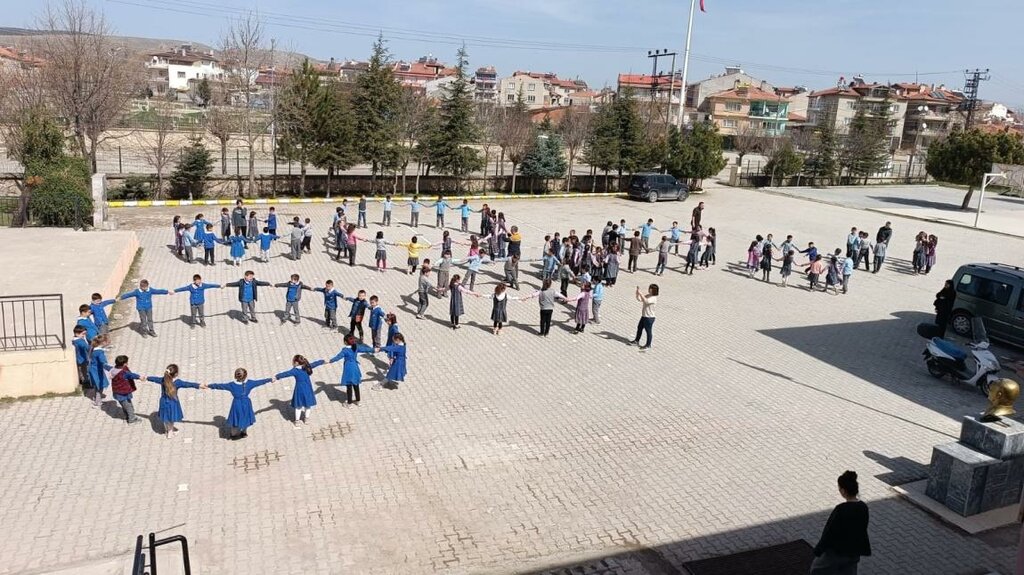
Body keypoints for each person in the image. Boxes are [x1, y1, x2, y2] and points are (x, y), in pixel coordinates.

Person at [810, 471, 870, 574]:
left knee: (816, 569)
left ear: (843, 491)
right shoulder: (863, 507)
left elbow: (829, 532)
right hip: (854, 551)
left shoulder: (841, 509)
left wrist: (819, 550)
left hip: (838, 552)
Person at [203, 368, 274, 439]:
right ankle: (244, 433)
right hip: (246, 404)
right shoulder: (249, 383)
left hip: (237, 405)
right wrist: (270, 379)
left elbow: (220, 386)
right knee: (246, 418)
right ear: (246, 376)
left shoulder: (231, 385)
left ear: (235, 376)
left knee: (235, 420)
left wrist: (209, 385)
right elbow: (260, 382)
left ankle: (233, 435)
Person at [146, 364, 200, 438]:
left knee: (166, 417)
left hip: (163, 401)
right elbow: (188, 384)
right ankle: (170, 432)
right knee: (171, 418)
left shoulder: (163, 380)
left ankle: (167, 428)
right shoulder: (177, 382)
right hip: (173, 403)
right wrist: (199, 385)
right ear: (176, 374)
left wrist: (147, 378)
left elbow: (154, 379)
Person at [275, 355, 326, 427]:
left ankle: (297, 421)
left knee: (298, 406)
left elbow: (285, 374)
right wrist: (322, 361)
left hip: (299, 390)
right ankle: (306, 419)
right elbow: (315, 363)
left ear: (296, 363)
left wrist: (277, 376)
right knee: (308, 405)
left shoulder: (295, 371)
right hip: (308, 389)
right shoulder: (307, 366)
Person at [329, 334, 375, 405]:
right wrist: (374, 350)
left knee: (349, 386)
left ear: (345, 342)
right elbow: (365, 349)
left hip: (348, 368)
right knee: (356, 385)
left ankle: (349, 403)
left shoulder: (345, 350)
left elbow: (338, 357)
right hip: (355, 367)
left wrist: (330, 361)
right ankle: (358, 401)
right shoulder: (356, 347)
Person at [109, 354, 142, 424]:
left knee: (125, 406)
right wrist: (139, 377)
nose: (127, 363)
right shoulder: (123, 372)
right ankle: (132, 420)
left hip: (118, 392)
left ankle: (127, 416)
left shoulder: (114, 369)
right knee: (129, 406)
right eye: (127, 362)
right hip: (123, 392)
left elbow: (107, 367)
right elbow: (131, 375)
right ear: (124, 364)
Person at [628, 284, 658, 350]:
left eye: (651, 288)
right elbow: (640, 299)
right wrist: (637, 293)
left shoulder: (653, 298)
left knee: (648, 331)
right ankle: (636, 341)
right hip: (644, 316)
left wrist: (641, 293)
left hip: (649, 318)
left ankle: (648, 345)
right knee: (639, 328)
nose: (649, 289)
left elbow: (646, 301)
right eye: (650, 288)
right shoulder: (648, 295)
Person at [88, 334, 111, 407]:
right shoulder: (100, 352)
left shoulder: (94, 349)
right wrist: (110, 368)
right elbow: (103, 362)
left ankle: (97, 400)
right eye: (107, 342)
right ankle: (98, 402)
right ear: (103, 343)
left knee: (97, 386)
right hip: (97, 371)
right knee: (100, 386)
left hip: (93, 369)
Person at [72, 326, 91, 391]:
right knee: (84, 371)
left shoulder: (74, 340)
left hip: (80, 358)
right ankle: (85, 383)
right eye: (83, 334)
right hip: (82, 359)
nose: (84, 335)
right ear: (77, 334)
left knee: (82, 371)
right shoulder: (80, 341)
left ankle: (84, 381)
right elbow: (86, 347)